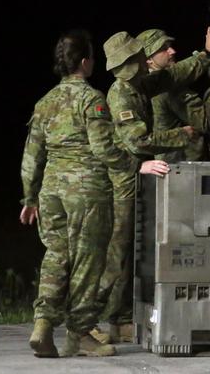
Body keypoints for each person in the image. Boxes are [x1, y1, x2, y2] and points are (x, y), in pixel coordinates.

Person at [20, 30, 170, 358]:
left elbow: (32, 155)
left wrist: (30, 198)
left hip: (51, 193)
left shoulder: (45, 103)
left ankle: (43, 323)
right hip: (86, 194)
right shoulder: (92, 100)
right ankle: (81, 334)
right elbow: (104, 148)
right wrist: (136, 166)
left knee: (56, 256)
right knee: (89, 261)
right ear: (85, 62)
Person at [92, 31, 210, 344]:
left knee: (134, 248)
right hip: (125, 173)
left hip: (138, 171)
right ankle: (84, 319)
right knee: (118, 249)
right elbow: (136, 140)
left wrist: (205, 55)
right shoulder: (122, 93)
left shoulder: (139, 85)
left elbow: (174, 75)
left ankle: (120, 319)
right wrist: (181, 135)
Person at [137, 28, 210, 163]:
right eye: (164, 49)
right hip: (186, 169)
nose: (172, 51)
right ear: (148, 59)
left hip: (172, 167)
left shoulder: (145, 85)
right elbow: (204, 121)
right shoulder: (168, 91)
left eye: (170, 47)